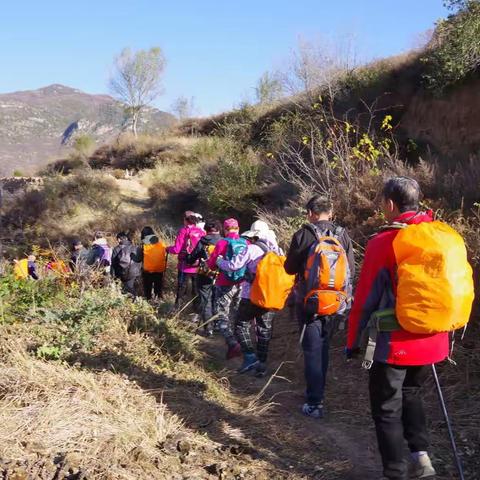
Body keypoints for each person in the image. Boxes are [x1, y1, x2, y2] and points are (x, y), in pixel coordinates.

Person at [346, 177, 448, 480]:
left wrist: (353, 343)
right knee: (412, 393)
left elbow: (365, 299)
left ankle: (395, 472)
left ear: (390, 204)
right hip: (433, 336)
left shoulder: (383, 242)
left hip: (392, 341)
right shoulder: (440, 235)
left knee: (387, 406)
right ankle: (422, 459)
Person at [284, 195, 355, 419]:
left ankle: (315, 401)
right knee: (323, 347)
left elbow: (289, 268)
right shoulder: (343, 235)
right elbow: (351, 269)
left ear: (311, 213)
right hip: (336, 302)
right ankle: (317, 393)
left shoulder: (304, 234)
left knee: (312, 349)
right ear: (330, 213)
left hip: (310, 302)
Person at [217, 220, 281, 377]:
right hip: (271, 295)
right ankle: (262, 365)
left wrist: (220, 261)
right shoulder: (278, 250)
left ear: (254, 236)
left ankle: (250, 357)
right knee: (264, 329)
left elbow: (233, 265)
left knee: (240, 324)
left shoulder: (251, 249)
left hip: (251, 295)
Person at [207, 218, 244, 359]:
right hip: (241, 284)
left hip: (224, 283)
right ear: (238, 228)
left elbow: (211, 264)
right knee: (237, 313)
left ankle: (232, 343)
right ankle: (242, 344)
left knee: (222, 314)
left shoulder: (222, 243)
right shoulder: (246, 242)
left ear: (225, 229)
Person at [186, 221, 222, 335]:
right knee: (218, 299)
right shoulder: (224, 241)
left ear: (206, 230)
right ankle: (218, 325)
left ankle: (208, 328)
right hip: (221, 274)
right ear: (219, 229)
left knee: (205, 300)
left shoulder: (203, 241)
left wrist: (189, 258)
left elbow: (193, 257)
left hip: (205, 274)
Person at [167, 211, 205, 308]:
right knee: (196, 289)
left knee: (181, 287)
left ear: (185, 220)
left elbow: (176, 249)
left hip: (184, 265)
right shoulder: (202, 232)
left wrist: (167, 249)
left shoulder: (184, 231)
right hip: (198, 266)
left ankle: (177, 309)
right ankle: (196, 310)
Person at [134, 226, 167, 301]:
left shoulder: (143, 244)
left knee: (147, 288)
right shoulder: (161, 243)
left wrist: (132, 256)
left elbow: (138, 259)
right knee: (158, 287)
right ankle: (158, 300)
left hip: (148, 270)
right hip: (159, 269)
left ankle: (149, 300)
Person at [111, 231, 141, 297]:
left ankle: (129, 303)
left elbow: (113, 264)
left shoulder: (117, 249)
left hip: (122, 273)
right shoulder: (134, 247)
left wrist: (113, 276)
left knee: (125, 290)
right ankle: (135, 302)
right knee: (131, 288)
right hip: (135, 272)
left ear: (119, 239)